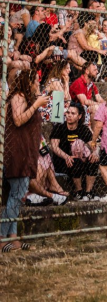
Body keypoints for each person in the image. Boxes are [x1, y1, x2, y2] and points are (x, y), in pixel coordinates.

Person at [2, 71, 46, 251]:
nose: (38, 84)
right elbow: (18, 120)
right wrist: (36, 104)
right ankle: (1, 237)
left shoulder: (27, 98)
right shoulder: (18, 97)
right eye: (36, 81)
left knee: (17, 196)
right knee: (16, 196)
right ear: (28, 82)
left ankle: (13, 238)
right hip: (17, 153)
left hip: (26, 152)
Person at [50, 103, 97, 201]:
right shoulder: (59, 127)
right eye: (68, 113)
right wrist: (66, 156)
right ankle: (78, 191)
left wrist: (95, 152)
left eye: (73, 113)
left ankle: (88, 192)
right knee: (75, 161)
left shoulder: (83, 129)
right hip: (63, 162)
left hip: (81, 160)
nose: (69, 115)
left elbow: (93, 144)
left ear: (79, 116)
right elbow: (54, 147)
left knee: (93, 160)